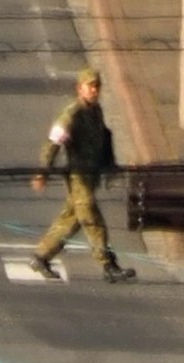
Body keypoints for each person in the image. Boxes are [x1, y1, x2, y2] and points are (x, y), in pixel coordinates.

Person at [27, 68, 130, 281]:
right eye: (90, 86)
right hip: (78, 179)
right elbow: (54, 142)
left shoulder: (96, 111)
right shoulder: (72, 114)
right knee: (93, 220)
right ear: (79, 88)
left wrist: (109, 165)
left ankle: (41, 256)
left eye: (97, 86)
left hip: (91, 176)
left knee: (71, 220)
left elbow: (103, 138)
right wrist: (43, 172)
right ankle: (108, 265)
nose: (94, 90)